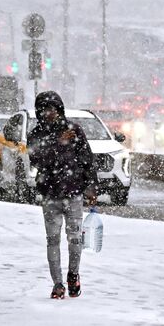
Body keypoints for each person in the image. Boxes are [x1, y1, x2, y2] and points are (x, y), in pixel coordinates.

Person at [28, 91, 97, 299]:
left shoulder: (74, 130)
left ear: (60, 110)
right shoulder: (36, 135)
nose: (50, 113)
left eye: (54, 109)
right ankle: (57, 283)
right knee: (53, 239)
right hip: (50, 195)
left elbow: (87, 159)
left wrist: (91, 187)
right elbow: (38, 160)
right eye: (45, 109)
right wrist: (58, 142)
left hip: (73, 193)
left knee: (75, 239)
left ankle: (73, 274)